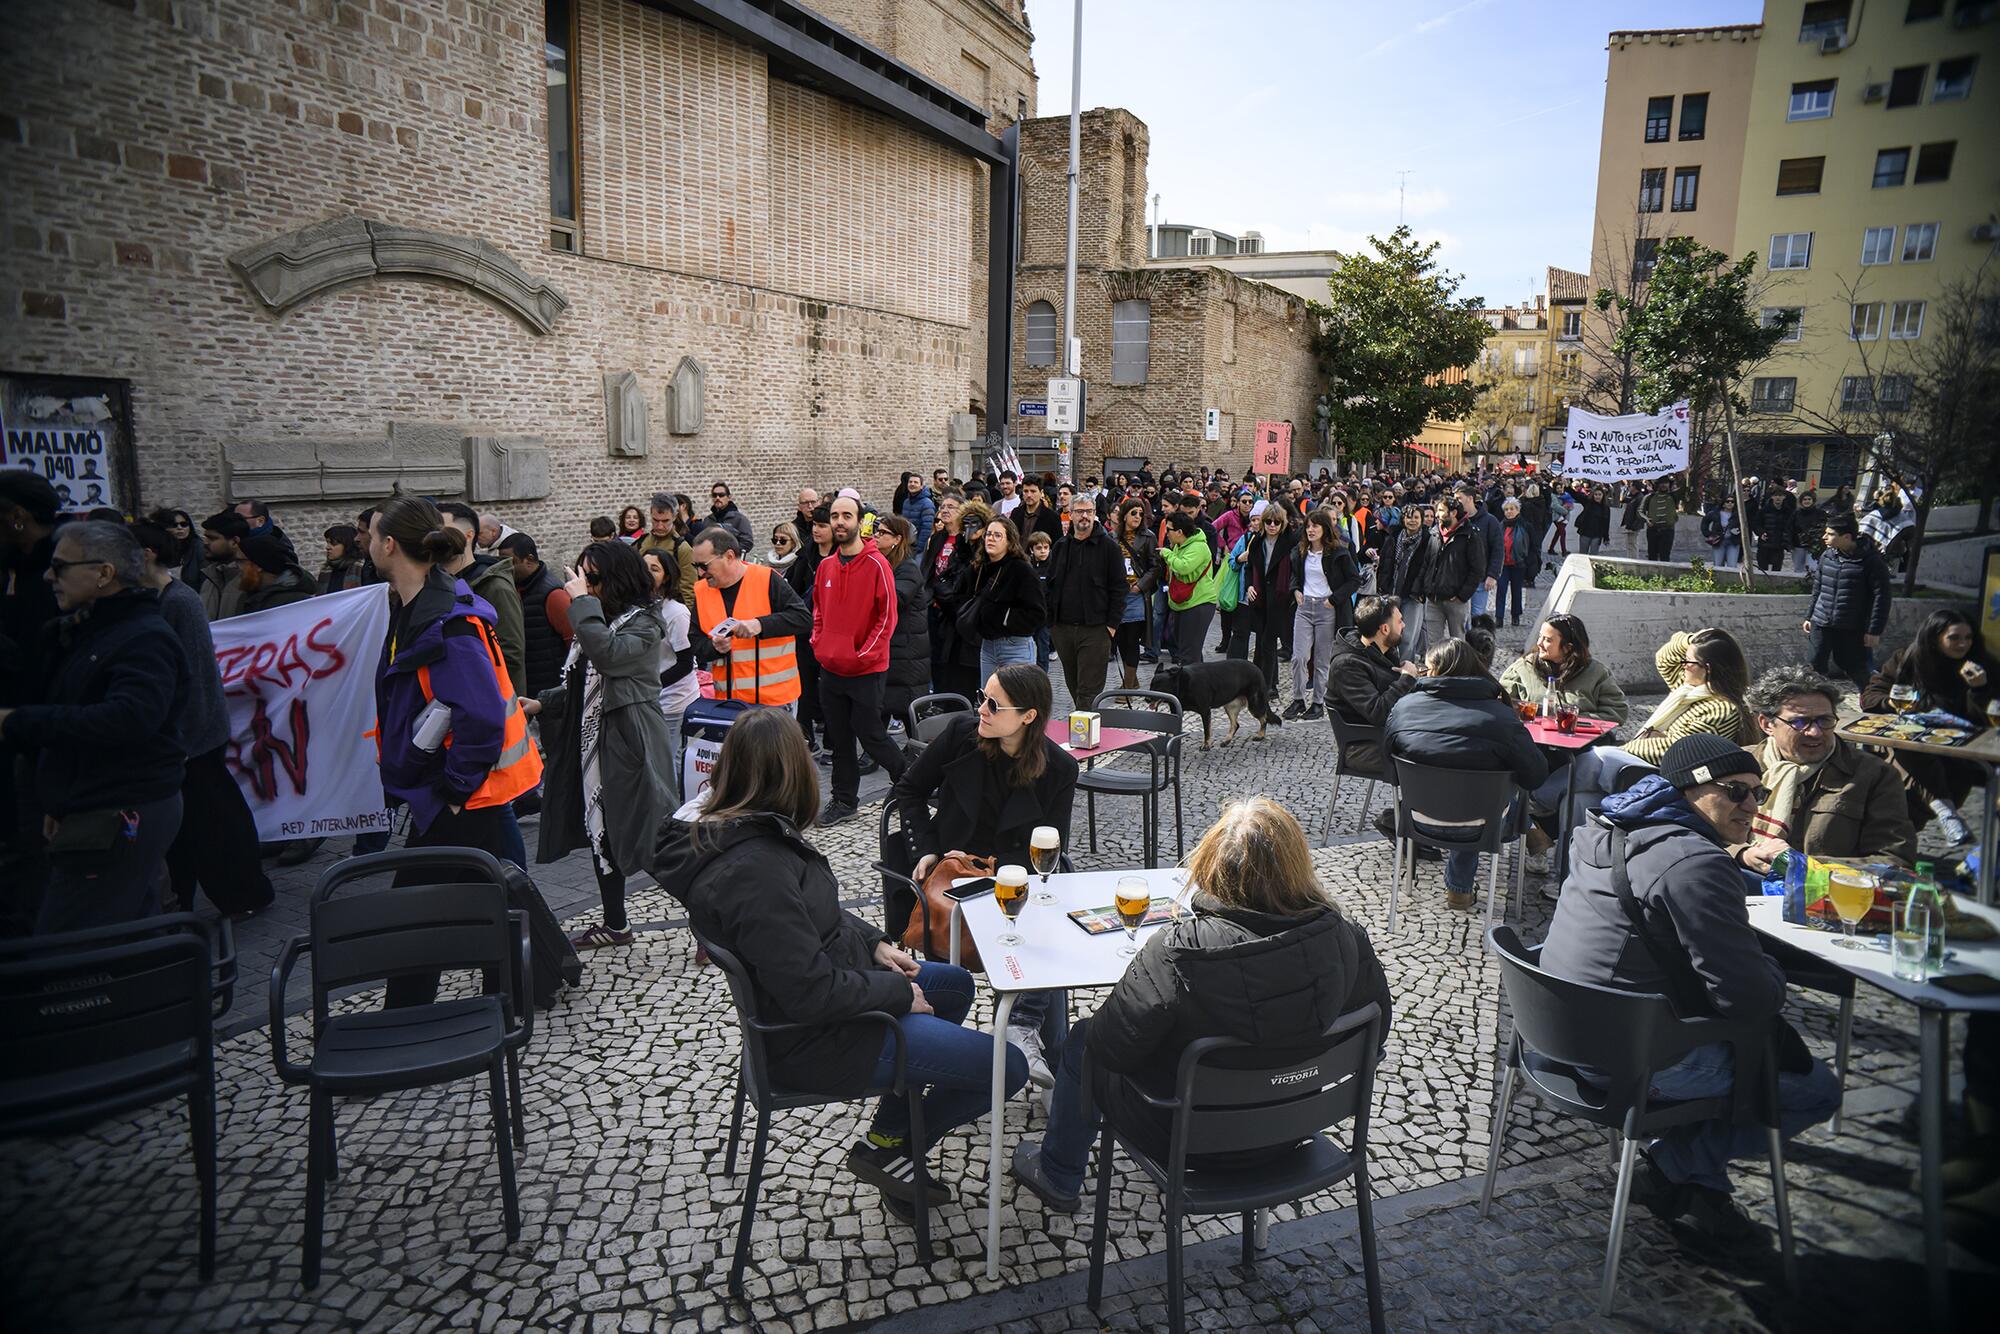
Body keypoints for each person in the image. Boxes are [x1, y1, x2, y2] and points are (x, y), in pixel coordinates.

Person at [661, 706, 1028, 1220]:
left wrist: (876, 942)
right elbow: (809, 992)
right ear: (790, 774)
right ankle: (898, 1146)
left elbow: (814, 913)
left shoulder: (749, 831)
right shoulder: (754, 869)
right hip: (814, 1038)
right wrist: (898, 995)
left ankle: (888, 1135)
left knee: (953, 985)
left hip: (824, 1007)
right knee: (1008, 1067)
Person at [1009, 798, 1393, 1212]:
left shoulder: (1179, 952)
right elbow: (1375, 1031)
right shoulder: (1345, 938)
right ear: (1299, 866)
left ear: (1210, 866)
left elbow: (1109, 1047)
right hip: (1292, 1128)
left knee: (1083, 1038)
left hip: (1185, 1138)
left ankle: (1058, 1174)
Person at [1539, 734, 1842, 1251]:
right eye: (1735, 791)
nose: (1752, 806)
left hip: (1556, 1030)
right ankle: (1672, 1166)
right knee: (1816, 1090)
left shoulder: (1607, 827)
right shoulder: (1694, 863)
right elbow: (1746, 1000)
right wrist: (1768, 961)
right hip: (1625, 1057)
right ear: (1688, 789)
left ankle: (1701, 1190)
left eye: (1758, 793)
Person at [368, 497, 541, 1003]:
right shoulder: (414, 606)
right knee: (501, 893)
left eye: (372, 534)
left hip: (462, 793)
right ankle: (517, 991)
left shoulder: (445, 620)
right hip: (460, 791)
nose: (366, 543)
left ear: (390, 544)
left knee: (419, 909)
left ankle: (408, 1017)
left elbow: (483, 714)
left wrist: (455, 786)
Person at [889, 664, 1078, 1088]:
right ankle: (993, 1049)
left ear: (1028, 716)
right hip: (949, 884)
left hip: (1010, 877)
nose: (983, 709)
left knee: (1047, 928)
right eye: (982, 696)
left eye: (994, 704)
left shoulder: (1059, 769)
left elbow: (1048, 848)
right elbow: (910, 789)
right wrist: (928, 849)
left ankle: (1026, 1036)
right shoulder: (962, 733)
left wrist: (992, 868)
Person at [0, 522, 187, 934]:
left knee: (73, 944)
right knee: (130, 931)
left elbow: (129, 719)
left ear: (104, 574)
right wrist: (61, 799)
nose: (50, 577)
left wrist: (19, 722)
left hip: (121, 807)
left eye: (62, 567)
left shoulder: (143, 638)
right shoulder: (91, 630)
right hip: (95, 802)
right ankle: (157, 995)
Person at [519, 541, 674, 950]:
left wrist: (582, 603)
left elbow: (608, 658)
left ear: (617, 579)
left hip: (631, 741)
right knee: (600, 830)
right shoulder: (601, 620)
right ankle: (615, 924)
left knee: (648, 836)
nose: (586, 585)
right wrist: (541, 702)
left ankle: (712, 920)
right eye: (584, 577)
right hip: (595, 740)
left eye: (594, 578)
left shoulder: (644, 624)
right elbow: (582, 683)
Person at [131, 522, 274, 917]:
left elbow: (196, 675)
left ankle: (242, 893)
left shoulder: (179, 602)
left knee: (214, 823)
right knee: (190, 828)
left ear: (144, 554)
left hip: (194, 738)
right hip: (177, 738)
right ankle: (185, 898)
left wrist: (187, 737)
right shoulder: (150, 600)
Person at [1385, 638, 1547, 912]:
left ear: (1433, 672)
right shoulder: (1501, 717)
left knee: (1467, 788)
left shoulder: (1403, 707)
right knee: (1493, 788)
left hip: (1417, 821)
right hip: (1485, 826)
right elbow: (1535, 776)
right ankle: (1530, 830)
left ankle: (1461, 887)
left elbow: (1390, 769)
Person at [1732, 664, 1917, 876]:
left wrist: (1803, 865)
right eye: (1799, 722)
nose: (1815, 732)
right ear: (1767, 725)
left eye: (1825, 720)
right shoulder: (1738, 765)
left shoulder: (1874, 776)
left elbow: (1895, 861)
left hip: (1826, 899)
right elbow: (1698, 833)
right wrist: (1741, 853)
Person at [810, 494, 908, 825]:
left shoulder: (877, 564)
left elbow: (887, 618)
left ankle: (907, 780)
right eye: (835, 516)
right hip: (831, 668)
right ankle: (844, 800)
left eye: (846, 516)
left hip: (866, 670)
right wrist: (819, 645)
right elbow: (819, 612)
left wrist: (861, 654)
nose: (839, 522)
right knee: (838, 740)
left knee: (871, 735)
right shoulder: (825, 566)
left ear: (858, 522)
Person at [1862, 609, 1995, 845]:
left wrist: (1980, 689)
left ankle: (1939, 813)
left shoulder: (1982, 667)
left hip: (1958, 752)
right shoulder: (1908, 660)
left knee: (1911, 794)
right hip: (1910, 746)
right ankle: (1941, 815)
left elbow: (1988, 720)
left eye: (1968, 637)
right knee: (1906, 753)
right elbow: (1870, 697)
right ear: (1935, 637)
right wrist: (1890, 703)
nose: (1962, 644)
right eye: (1954, 637)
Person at [688, 525, 809, 710]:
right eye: (696, 566)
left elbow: (803, 619)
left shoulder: (766, 579)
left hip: (774, 703)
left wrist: (759, 625)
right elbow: (696, 642)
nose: (700, 573)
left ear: (729, 556)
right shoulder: (702, 591)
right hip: (728, 703)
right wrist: (714, 647)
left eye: (704, 565)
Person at [1326, 595, 1420, 797]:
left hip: (1388, 736)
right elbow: (1378, 712)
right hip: (1363, 746)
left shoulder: (1380, 651)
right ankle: (1412, 820)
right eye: (1400, 621)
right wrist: (1405, 679)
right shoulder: (1347, 665)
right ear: (1384, 629)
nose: (1404, 625)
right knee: (1433, 753)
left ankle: (1417, 818)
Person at [438, 502, 528, 701]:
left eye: (443, 531)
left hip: (493, 703)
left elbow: (510, 653)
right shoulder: (440, 584)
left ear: (468, 536)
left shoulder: (494, 586)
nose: (437, 538)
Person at [1045, 492, 1125, 709]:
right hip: (1062, 628)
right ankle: (1085, 733)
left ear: (1095, 514)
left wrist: (1111, 626)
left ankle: (1085, 739)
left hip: (1096, 629)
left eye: (1089, 511)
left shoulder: (1109, 547)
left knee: (1087, 692)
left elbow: (1119, 588)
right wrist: (1052, 622)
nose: (1084, 516)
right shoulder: (1061, 546)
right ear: (1070, 515)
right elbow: (1050, 585)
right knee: (1074, 686)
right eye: (1079, 512)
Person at [1284, 509, 1361, 719]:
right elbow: (1294, 575)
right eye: (1308, 526)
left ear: (1325, 529)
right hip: (1304, 607)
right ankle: (1298, 699)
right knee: (1299, 657)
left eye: (1315, 526)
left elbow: (1355, 580)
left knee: (1321, 660)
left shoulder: (1339, 552)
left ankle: (1318, 703)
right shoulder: (1300, 551)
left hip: (1326, 609)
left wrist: (1334, 599)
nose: (1310, 530)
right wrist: (1295, 589)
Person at [1802, 511, 1891, 690]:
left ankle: (1872, 697)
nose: (1824, 537)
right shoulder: (1827, 556)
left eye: (1830, 534)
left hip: (1851, 625)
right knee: (1814, 664)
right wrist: (1809, 615)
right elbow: (1818, 588)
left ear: (1847, 537)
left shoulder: (1871, 561)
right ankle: (1814, 702)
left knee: (1853, 665)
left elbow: (1881, 598)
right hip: (1822, 620)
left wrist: (1874, 630)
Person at [1498, 613, 1630, 725]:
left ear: (1568, 647)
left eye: (1548, 640)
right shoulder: (1524, 668)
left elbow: (1617, 712)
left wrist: (1573, 720)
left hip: (1582, 745)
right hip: (1532, 744)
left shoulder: (1596, 673)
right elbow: (1499, 702)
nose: (1539, 643)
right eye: (1540, 637)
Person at [641, 547, 699, 781]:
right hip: (651, 698)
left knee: (670, 763)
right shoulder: (641, 608)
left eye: (654, 569)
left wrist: (650, 684)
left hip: (674, 701)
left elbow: (685, 663)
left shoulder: (676, 613)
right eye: (643, 568)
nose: (646, 573)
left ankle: (674, 813)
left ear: (666, 577)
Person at [964, 516, 1044, 683]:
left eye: (997, 535)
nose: (991, 538)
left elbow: (1037, 614)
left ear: (1009, 541)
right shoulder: (979, 567)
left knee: (1016, 703)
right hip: (987, 645)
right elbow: (964, 594)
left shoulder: (1022, 570)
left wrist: (1004, 617)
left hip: (1015, 645)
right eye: (988, 534)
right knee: (990, 702)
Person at [1232, 503, 1299, 696]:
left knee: (1269, 642)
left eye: (1276, 522)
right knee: (1261, 642)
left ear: (1282, 523)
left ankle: (1268, 686)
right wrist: (1250, 586)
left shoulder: (1290, 541)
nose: (1272, 525)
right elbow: (1250, 566)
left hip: (1280, 597)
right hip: (1260, 596)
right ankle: (1262, 683)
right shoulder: (1257, 540)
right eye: (1268, 521)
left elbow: (1296, 568)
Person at [500, 533, 573, 699]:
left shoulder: (554, 595)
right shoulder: (512, 589)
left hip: (551, 694)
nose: (503, 568)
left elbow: (575, 644)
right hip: (526, 690)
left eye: (508, 562)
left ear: (529, 559)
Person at [875, 516, 930, 735]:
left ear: (897, 539)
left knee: (908, 710)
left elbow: (894, 599)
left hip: (907, 651)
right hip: (892, 647)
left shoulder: (907, 568)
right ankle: (873, 754)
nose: (876, 537)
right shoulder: (884, 564)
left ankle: (918, 755)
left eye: (882, 533)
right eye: (876, 532)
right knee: (880, 707)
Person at [1160, 511, 1219, 666]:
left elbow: (1183, 567)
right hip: (1183, 604)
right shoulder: (1180, 545)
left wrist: (1167, 554)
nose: (1166, 533)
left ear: (1179, 532)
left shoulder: (1198, 547)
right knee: (1189, 651)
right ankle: (1199, 686)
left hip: (1199, 604)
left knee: (1188, 654)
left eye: (1169, 530)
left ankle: (1188, 688)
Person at [1420, 497, 1481, 648]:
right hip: (1433, 598)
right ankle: (1434, 671)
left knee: (1458, 642)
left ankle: (1458, 671)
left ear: (1453, 513)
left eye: (1441, 511)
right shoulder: (1434, 533)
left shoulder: (1470, 535)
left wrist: (1462, 595)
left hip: (1456, 601)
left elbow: (1477, 569)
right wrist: (1426, 587)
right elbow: (1426, 562)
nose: (1436, 515)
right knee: (1433, 644)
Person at [1111, 498, 1157, 685]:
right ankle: (1133, 679)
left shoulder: (1148, 537)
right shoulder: (1112, 537)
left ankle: (1127, 685)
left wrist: (1140, 585)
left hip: (1137, 595)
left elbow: (1155, 567)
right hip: (1118, 594)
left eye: (1140, 513)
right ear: (1124, 516)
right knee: (1121, 639)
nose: (1137, 516)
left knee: (1131, 640)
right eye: (1133, 513)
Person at [1381, 501, 1432, 664]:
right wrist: (1382, 585)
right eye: (1409, 517)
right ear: (1403, 520)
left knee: (1408, 637)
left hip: (1413, 594)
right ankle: (1387, 669)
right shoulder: (1393, 538)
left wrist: (1422, 591)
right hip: (1392, 591)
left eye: (1416, 517)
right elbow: (1384, 563)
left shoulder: (1428, 541)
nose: (1412, 521)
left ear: (1422, 520)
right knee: (1388, 633)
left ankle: (1405, 673)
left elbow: (1429, 568)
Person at [234, 531, 316, 614]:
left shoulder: (297, 602)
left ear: (258, 566)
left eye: (241, 561)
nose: (236, 567)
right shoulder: (247, 597)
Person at [637, 492, 697, 601]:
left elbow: (688, 591)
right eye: (655, 520)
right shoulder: (641, 542)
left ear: (674, 516)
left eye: (665, 521)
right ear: (650, 513)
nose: (660, 526)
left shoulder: (682, 548)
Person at [1494, 497, 1540, 628]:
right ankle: (1499, 617)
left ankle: (1515, 616)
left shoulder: (1526, 526)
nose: (1509, 512)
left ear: (1518, 510)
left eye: (1512, 509)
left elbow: (1534, 546)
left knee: (1516, 590)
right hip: (1503, 564)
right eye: (1506, 509)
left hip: (1519, 563)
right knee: (1501, 590)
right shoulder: (1500, 525)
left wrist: (1529, 562)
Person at [198, 509, 249, 620]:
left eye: (212, 538)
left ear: (234, 541)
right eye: (205, 537)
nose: (205, 542)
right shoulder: (210, 578)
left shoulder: (252, 580)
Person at [706, 482, 754, 551]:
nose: (717, 498)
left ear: (729, 497)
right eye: (714, 495)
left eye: (721, 495)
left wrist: (728, 553)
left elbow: (747, 543)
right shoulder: (708, 520)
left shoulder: (740, 519)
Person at [320, 524, 366, 593]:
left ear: (347, 545)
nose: (328, 547)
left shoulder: (361, 568)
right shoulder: (325, 569)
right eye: (328, 542)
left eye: (333, 543)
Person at [1642, 479, 1679, 562]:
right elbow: (1640, 511)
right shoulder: (1650, 497)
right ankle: (1652, 574)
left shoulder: (1673, 496)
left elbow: (1686, 489)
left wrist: (1686, 475)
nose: (1664, 485)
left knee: (1665, 556)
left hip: (1668, 530)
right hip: (1653, 530)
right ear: (1657, 485)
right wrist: (1646, 519)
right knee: (1652, 556)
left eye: (1666, 483)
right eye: (1662, 483)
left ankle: (1665, 575)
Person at [1702, 495, 1743, 570]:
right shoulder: (1715, 513)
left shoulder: (1738, 514)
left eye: (1732, 502)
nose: (1730, 503)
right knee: (1718, 565)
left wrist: (1738, 532)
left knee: (1732, 566)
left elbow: (1744, 526)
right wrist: (1708, 534)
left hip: (1733, 542)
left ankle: (1730, 581)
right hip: (1719, 541)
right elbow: (1705, 522)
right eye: (1727, 501)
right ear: (1723, 504)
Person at [1575, 484, 1611, 556]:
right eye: (1596, 494)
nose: (1597, 496)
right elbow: (1576, 496)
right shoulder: (1588, 503)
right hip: (1585, 532)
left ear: (1603, 496)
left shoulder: (1606, 508)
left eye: (1599, 494)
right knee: (1582, 554)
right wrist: (1567, 486)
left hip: (1597, 534)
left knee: (1593, 555)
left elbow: (1606, 523)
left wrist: (1606, 537)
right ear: (1593, 495)